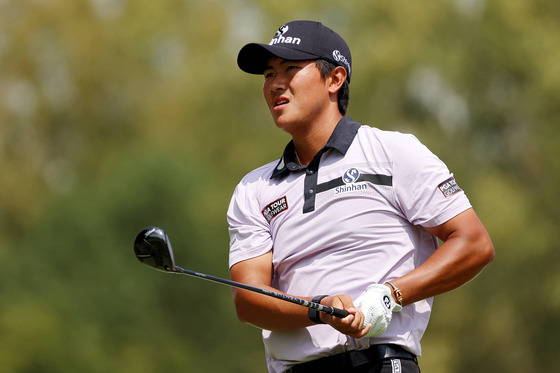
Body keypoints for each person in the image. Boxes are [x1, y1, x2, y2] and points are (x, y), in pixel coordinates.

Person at [227, 20, 494, 373]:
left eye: (290, 68)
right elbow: (249, 300)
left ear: (334, 80)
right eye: (268, 73)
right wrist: (318, 308)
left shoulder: (393, 152)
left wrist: (390, 295)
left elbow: (474, 243)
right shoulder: (253, 189)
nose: (276, 83)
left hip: (379, 363)